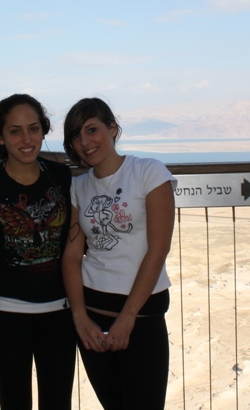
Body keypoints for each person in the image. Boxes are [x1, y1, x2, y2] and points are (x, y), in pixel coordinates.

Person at [62, 98, 177, 410]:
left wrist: (127, 318)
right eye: (75, 135)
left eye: (92, 130)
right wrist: (79, 317)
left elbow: (158, 249)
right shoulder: (78, 186)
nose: (84, 142)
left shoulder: (148, 172)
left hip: (141, 316)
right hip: (92, 317)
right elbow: (72, 256)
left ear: (112, 129)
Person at [0, 94, 76, 410]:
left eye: (34, 128)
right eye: (15, 131)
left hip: (59, 314)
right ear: (0, 137)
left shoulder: (62, 179)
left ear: (44, 130)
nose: (26, 139)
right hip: (6, 318)